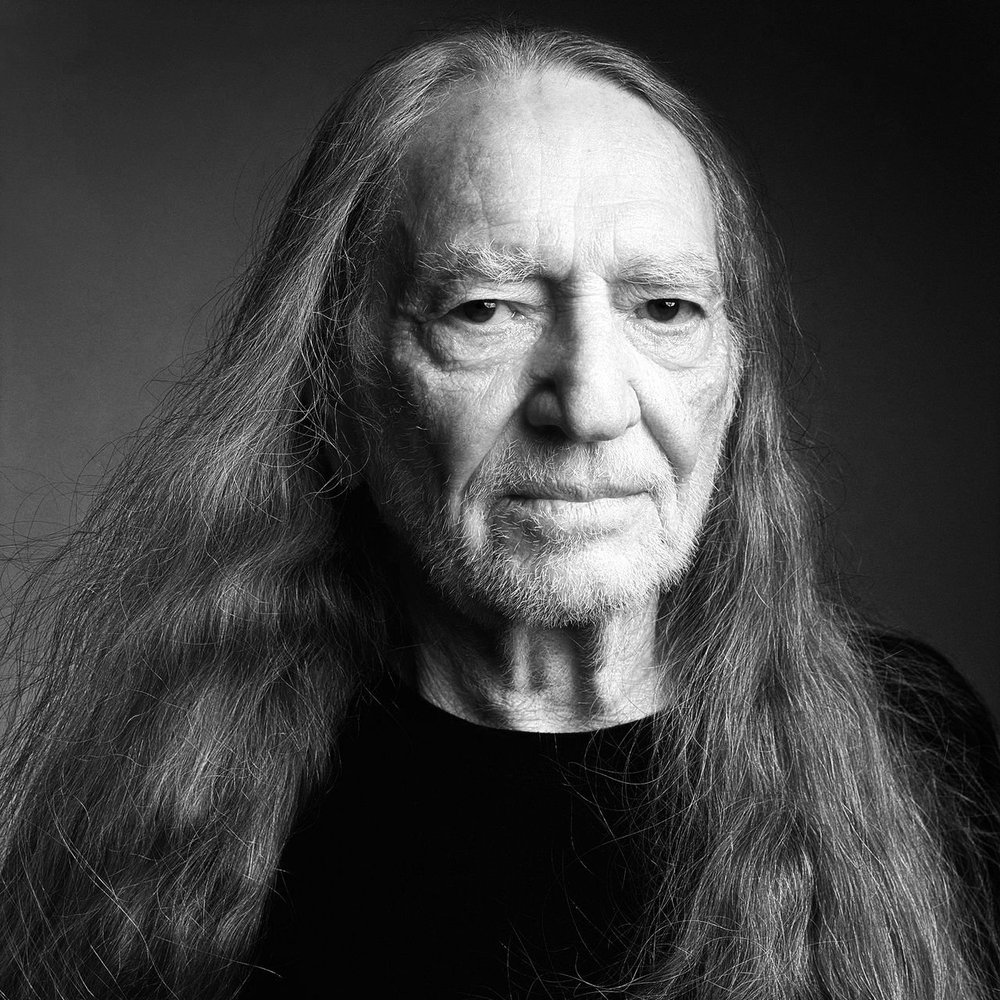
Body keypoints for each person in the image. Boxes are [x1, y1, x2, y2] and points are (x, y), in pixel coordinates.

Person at [0, 23, 997, 1000]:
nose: (591, 406)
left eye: (665, 309)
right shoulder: (172, 819)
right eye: (483, 309)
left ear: (734, 379)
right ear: (335, 386)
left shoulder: (911, 746)